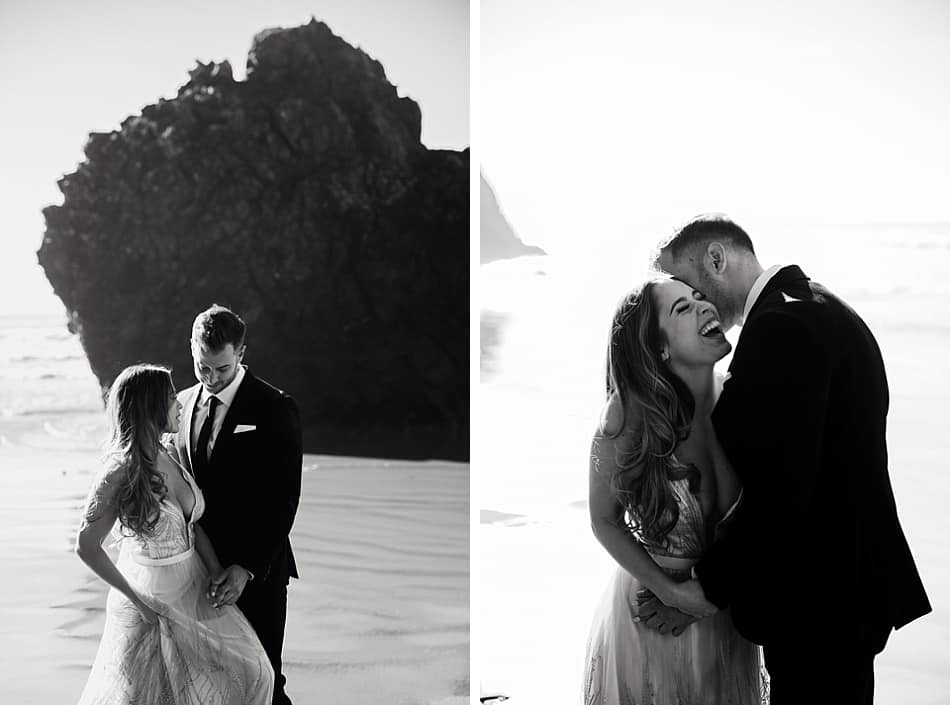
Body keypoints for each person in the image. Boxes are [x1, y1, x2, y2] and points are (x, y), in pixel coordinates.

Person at [653, 213, 932, 704]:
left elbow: (781, 493)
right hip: (842, 593)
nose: (688, 299)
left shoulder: (783, 330)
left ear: (716, 259)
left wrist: (704, 590)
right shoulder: (816, 305)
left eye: (685, 282)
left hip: (820, 601)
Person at [584, 277, 763, 704]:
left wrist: (708, 597)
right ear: (659, 348)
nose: (705, 308)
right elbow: (603, 520)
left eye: (700, 298)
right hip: (652, 615)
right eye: (682, 309)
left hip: (725, 618)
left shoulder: (741, 400)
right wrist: (672, 592)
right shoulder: (630, 414)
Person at [75, 364, 274, 704]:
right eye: (170, 398)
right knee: (160, 695)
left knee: (255, 672)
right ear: (150, 406)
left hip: (195, 584)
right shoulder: (121, 470)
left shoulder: (170, 451)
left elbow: (190, 525)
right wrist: (138, 603)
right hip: (152, 595)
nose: (180, 404)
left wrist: (214, 573)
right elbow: (86, 546)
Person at [166, 304, 302, 705]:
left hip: (257, 573)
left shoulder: (275, 407)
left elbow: (284, 500)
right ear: (191, 349)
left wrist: (246, 568)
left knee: (263, 680)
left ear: (241, 354)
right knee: (208, 683)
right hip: (196, 575)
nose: (210, 378)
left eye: (221, 369)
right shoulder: (182, 403)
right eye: (201, 367)